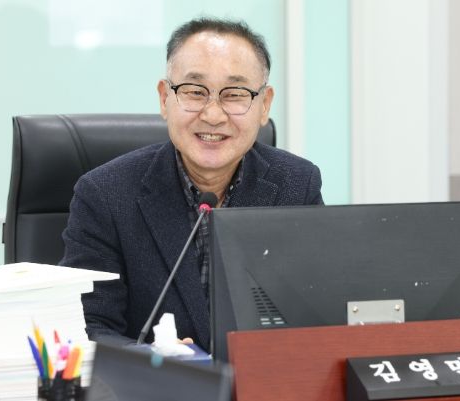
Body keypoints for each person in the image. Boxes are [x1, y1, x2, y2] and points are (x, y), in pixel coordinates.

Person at [60, 17, 323, 351]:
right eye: (195, 92)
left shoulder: (296, 185)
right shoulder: (105, 194)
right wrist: (151, 359)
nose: (213, 115)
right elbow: (88, 325)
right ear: (164, 99)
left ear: (264, 105)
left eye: (235, 94)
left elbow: (320, 314)